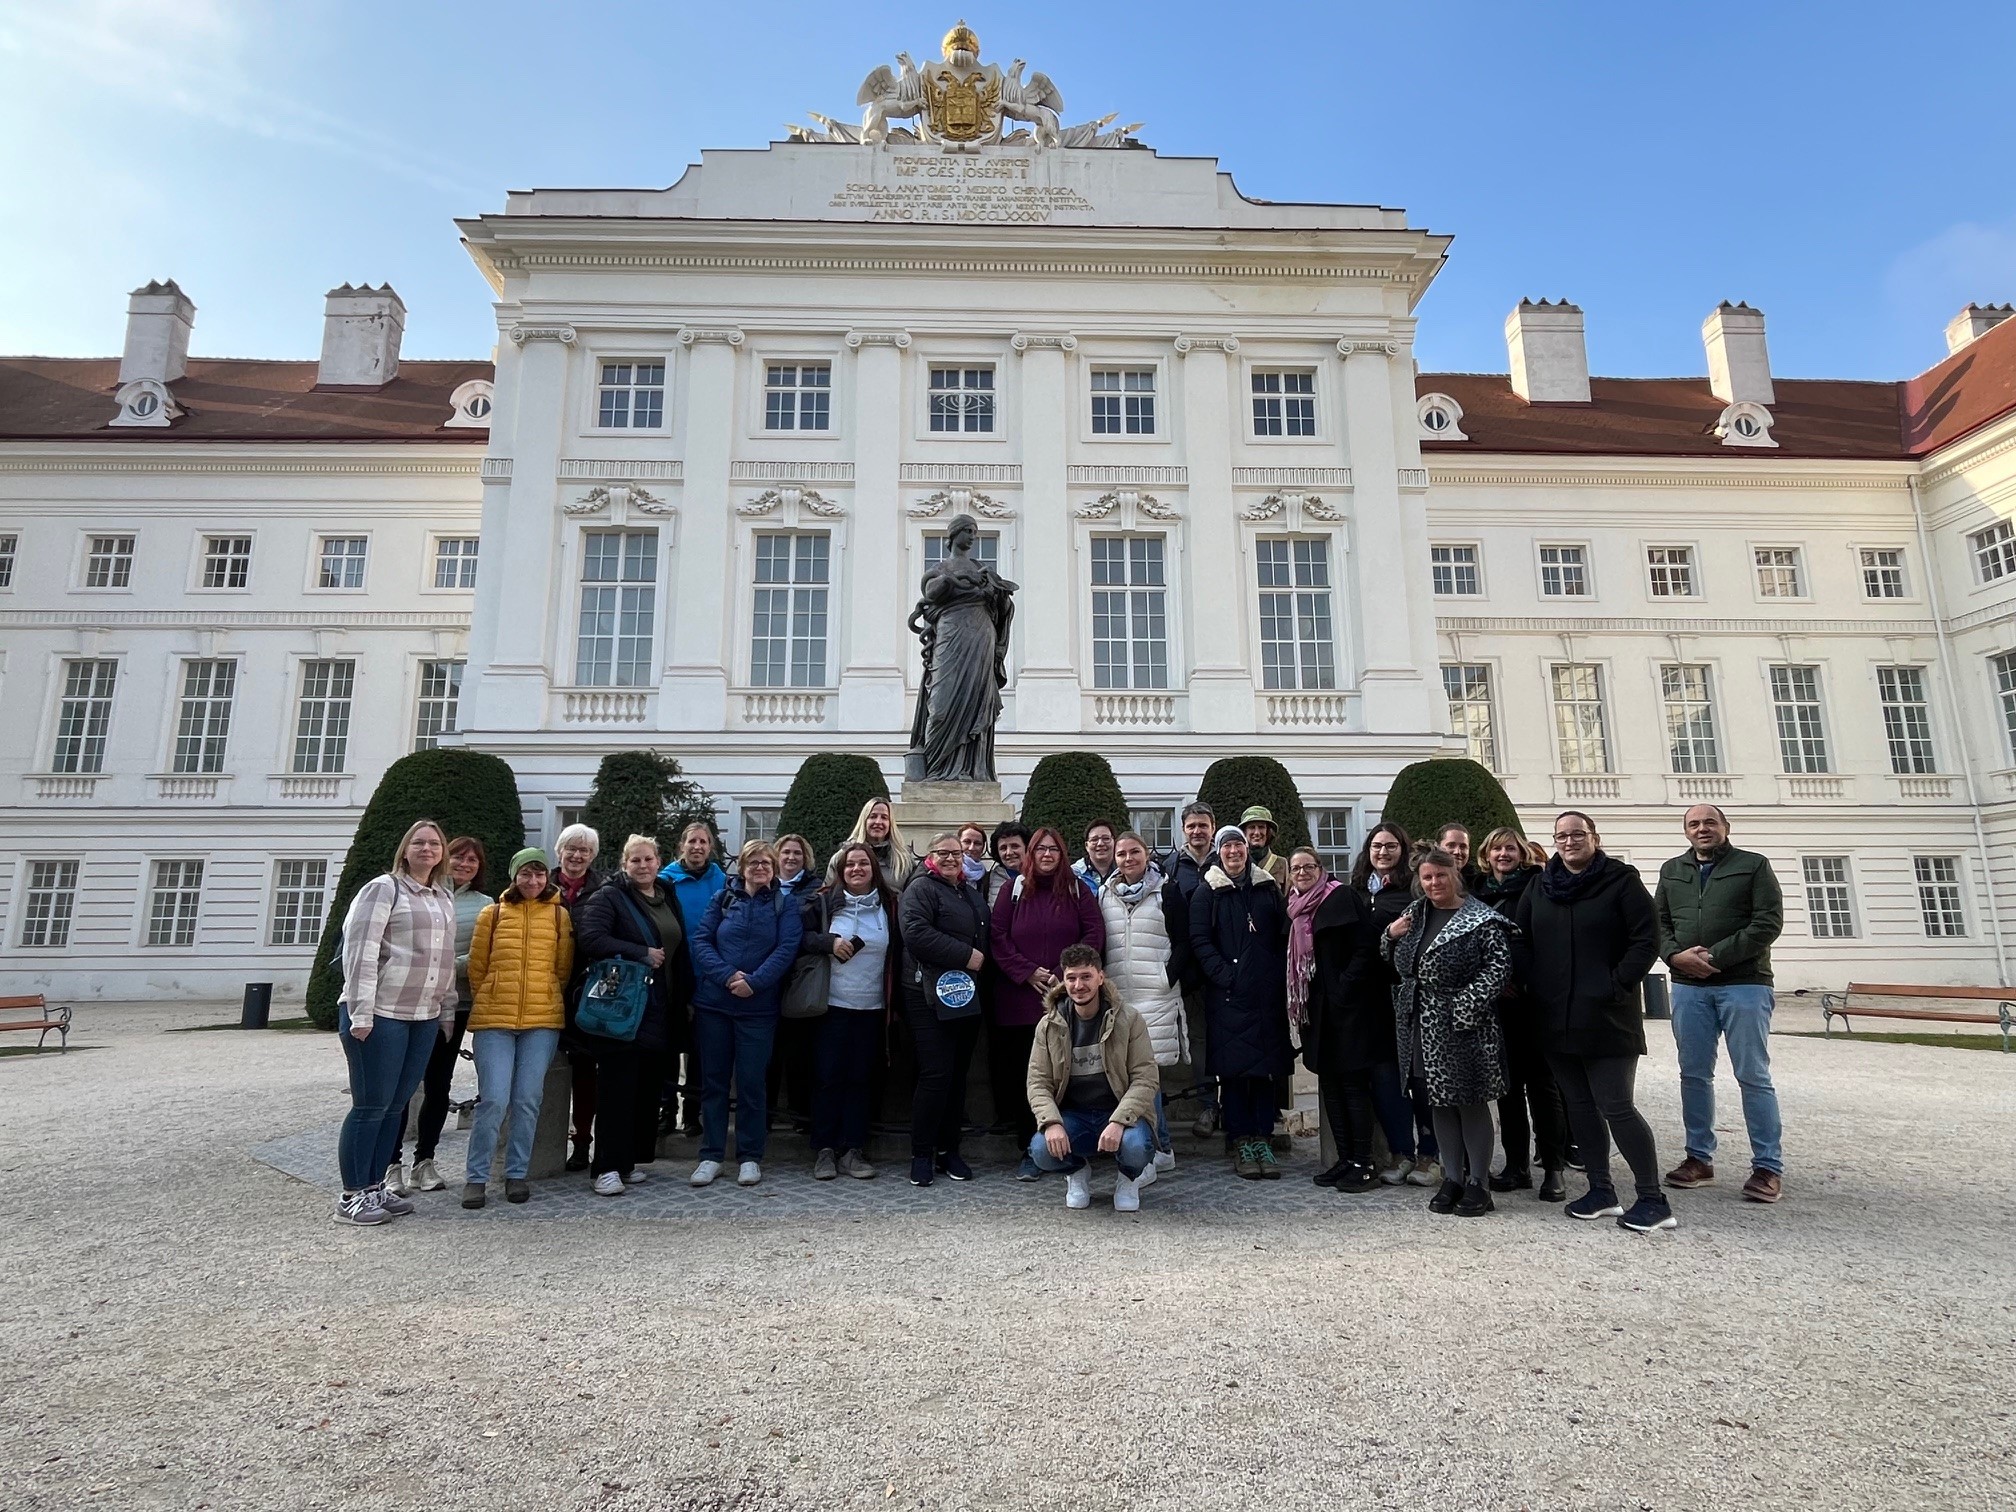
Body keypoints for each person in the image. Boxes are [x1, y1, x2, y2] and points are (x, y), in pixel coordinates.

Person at [1514, 812, 1673, 1232]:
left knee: (1616, 1105)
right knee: (1579, 1107)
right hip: (1553, 1014)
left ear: (1594, 838)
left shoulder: (1621, 881)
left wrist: (1616, 982)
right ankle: (1601, 1190)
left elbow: (1646, 939)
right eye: (1561, 836)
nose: (1569, 842)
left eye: (1577, 834)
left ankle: (1653, 1199)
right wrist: (1535, 980)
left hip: (1606, 1014)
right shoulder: (1540, 885)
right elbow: (1522, 939)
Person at [1654, 804, 1786, 1204]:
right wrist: (1675, 956)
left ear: (1726, 827)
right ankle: (1698, 1158)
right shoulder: (1672, 870)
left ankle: (1767, 1166)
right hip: (1689, 986)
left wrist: (1714, 957)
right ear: (1685, 832)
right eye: (1693, 824)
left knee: (1753, 1075)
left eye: (1710, 822)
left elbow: (1767, 922)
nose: (1702, 829)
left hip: (1744, 984)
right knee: (1693, 1074)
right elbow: (1658, 922)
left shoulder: (1753, 865)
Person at [332, 819, 460, 1226]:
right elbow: (361, 951)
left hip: (422, 1016)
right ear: (405, 849)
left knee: (394, 1105)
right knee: (370, 1106)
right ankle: (352, 1195)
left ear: (442, 852)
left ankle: (374, 1187)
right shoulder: (383, 888)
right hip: (381, 1013)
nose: (427, 848)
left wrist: (446, 1011)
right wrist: (361, 1011)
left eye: (434, 843)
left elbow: (445, 961)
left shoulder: (443, 895)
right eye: (418, 842)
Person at [1382, 848, 1512, 1218]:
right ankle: (1451, 1178)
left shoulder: (1480, 918)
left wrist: (1464, 1006)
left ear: (1455, 875)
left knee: (1469, 1102)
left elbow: (1498, 968)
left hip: (1465, 1026)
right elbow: (1394, 958)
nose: (1434, 883)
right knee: (1438, 1100)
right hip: (1421, 1023)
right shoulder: (1416, 914)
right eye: (1427, 877)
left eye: (1440, 876)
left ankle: (1478, 1185)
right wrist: (1389, 935)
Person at [575, 835, 694, 1196]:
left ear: (659, 861)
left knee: (644, 1088)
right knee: (616, 1088)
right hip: (622, 1007)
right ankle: (605, 1167)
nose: (643, 866)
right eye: (635, 861)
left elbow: (679, 948)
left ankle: (626, 1162)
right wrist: (639, 951)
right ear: (624, 864)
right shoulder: (610, 896)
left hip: (660, 1005)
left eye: (648, 859)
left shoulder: (666, 893)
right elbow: (591, 939)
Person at [460, 849, 574, 1208]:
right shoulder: (491, 914)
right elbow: (477, 968)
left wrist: (543, 996)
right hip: (495, 1020)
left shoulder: (559, 916)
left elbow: (562, 970)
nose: (533, 881)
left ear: (547, 878)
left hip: (541, 1021)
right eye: (526, 874)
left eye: (539, 875)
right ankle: (476, 1177)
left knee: (527, 1100)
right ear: (514, 876)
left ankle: (516, 1173)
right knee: (493, 1099)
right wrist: (493, 995)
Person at [991, 825, 1107, 1176]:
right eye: (1039, 849)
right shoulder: (1012, 890)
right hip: (1018, 999)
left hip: (1064, 999)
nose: (1045, 855)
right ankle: (1029, 1147)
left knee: (1063, 1076)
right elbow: (997, 936)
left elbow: (1094, 933)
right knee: (1022, 1077)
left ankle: (1067, 1145)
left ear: (1062, 854)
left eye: (1053, 849)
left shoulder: (1075, 889)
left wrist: (1063, 973)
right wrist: (1027, 972)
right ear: (1030, 854)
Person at [689, 839, 803, 1188]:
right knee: (715, 1083)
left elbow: (787, 948)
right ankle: (711, 1155)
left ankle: (750, 1156)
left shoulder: (786, 904)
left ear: (773, 869)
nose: (759, 868)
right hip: (716, 1005)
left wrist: (755, 982)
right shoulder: (722, 899)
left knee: (753, 1084)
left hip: (758, 1007)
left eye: (766, 863)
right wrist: (727, 976)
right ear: (742, 866)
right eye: (753, 862)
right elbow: (702, 941)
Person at [388, 834, 490, 1195]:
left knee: (438, 1083)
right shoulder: (419, 891)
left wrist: (442, 966)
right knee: (401, 1085)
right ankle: (391, 1162)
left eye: (472, 860)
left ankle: (424, 1161)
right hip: (410, 999)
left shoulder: (485, 904)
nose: (464, 864)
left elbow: (481, 955)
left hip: (457, 1003)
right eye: (459, 857)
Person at [1188, 825, 1292, 1179]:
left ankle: (1263, 1136)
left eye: (1239, 845)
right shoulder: (1208, 892)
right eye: (1228, 845)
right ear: (1219, 851)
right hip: (1229, 995)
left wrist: (1276, 975)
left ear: (1247, 849)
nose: (1234, 851)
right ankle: (1240, 1138)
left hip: (1265, 994)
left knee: (1264, 1072)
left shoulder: (1267, 888)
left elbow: (1283, 935)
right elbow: (1200, 941)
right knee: (1234, 1073)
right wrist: (1226, 976)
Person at [1025, 945, 1160, 1211]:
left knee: (1136, 1148)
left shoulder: (1129, 1019)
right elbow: (1037, 1081)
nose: (1079, 985)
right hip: (1074, 1115)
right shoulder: (1049, 1025)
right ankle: (1076, 1171)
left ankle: (1128, 1177)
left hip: (1120, 1113)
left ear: (1101, 977)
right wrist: (1051, 1122)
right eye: (1071, 977)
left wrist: (1120, 1121)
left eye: (1086, 976)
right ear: (1063, 980)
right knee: (1041, 1149)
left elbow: (1145, 1078)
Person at [1473, 826, 1567, 1201]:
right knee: (1507, 1091)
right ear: (1487, 854)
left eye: (1510, 848)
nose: (1503, 855)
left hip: (1532, 1000)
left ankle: (1554, 1168)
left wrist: (1520, 978)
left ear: (1522, 852)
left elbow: (1546, 938)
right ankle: (1516, 1166)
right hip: (1495, 1005)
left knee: (1543, 1088)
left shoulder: (1539, 885)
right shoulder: (1479, 891)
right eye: (1496, 849)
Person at [800, 841, 900, 1180]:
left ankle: (853, 1149)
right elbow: (798, 937)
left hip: (873, 1007)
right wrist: (828, 943)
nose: (856, 869)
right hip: (831, 1005)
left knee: (861, 1080)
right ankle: (825, 1149)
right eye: (850, 865)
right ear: (841, 871)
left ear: (874, 869)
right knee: (828, 1078)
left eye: (863, 863)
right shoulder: (826, 901)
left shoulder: (890, 905)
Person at [1288, 845, 1383, 1194]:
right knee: (1330, 1087)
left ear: (1321, 868)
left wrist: (1345, 986)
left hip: (1348, 1010)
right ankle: (1345, 1159)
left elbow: (1365, 946)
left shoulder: (1340, 897)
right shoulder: (1296, 908)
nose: (1301, 873)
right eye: (1296, 868)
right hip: (1317, 1010)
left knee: (1353, 1087)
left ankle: (1364, 1161)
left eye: (1308, 867)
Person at [898, 832, 991, 1186]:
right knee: (935, 1074)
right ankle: (921, 1153)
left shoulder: (966, 890)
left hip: (963, 994)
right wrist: (966, 955)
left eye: (956, 852)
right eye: (944, 852)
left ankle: (949, 1150)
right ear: (930, 856)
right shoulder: (921, 887)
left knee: (956, 1076)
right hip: (925, 993)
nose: (952, 858)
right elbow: (915, 932)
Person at [1351, 822, 1440, 1186]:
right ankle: (1401, 1151)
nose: (1383, 853)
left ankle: (1430, 1154)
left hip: (1406, 998)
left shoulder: (1412, 893)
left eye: (1390, 846)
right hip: (1370, 1000)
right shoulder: (1358, 891)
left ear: (1402, 850)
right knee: (1385, 1078)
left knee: (1419, 1078)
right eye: (1376, 846)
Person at [1098, 831, 1186, 1171]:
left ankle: (1159, 1147)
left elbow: (1183, 941)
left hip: (1156, 994)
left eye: (1134, 852)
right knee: (1128, 1075)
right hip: (1119, 996)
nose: (1127, 858)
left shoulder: (1167, 890)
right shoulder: (1104, 894)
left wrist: (1167, 978)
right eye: (1121, 853)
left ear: (1147, 855)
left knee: (1147, 1075)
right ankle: (1153, 1145)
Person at [658, 821, 727, 1135]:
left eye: (703, 842)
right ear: (681, 846)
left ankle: (692, 1114)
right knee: (669, 1047)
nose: (697, 847)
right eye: (692, 842)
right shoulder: (664, 881)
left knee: (701, 1050)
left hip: (708, 975)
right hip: (672, 973)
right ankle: (665, 1110)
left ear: (710, 847)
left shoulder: (721, 881)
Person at [551, 823, 608, 1172]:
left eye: (584, 850)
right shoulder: (539, 883)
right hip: (546, 988)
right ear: (559, 851)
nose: (577, 855)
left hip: (587, 990)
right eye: (571, 848)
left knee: (586, 1072)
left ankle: (582, 1141)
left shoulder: (604, 889)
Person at [1164, 802, 1220, 1138]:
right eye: (1191, 826)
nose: (1197, 831)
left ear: (1212, 827)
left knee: (1224, 1039)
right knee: (1195, 1040)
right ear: (1183, 830)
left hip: (1224, 967)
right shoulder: (1170, 866)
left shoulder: (1228, 860)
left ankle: (1225, 1109)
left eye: (1203, 825)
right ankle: (1202, 1106)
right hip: (1187, 970)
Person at [828, 797, 914, 892]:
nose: (878, 822)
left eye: (884, 817)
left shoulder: (904, 860)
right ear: (864, 820)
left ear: (890, 824)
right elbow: (828, 893)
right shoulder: (842, 857)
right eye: (873, 816)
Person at [1239, 806, 1291, 889]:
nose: (1257, 832)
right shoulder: (1237, 863)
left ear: (1268, 832)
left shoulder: (1281, 863)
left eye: (1261, 827)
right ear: (1244, 832)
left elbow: (1287, 898)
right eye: (1252, 827)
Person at [984, 821, 1028, 910]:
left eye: (1015, 846)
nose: (1009, 852)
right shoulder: (987, 881)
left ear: (1027, 848)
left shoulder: (1040, 878)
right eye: (1003, 848)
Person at [1074, 818, 1120, 888]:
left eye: (1106, 838)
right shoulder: (1074, 874)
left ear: (1114, 842)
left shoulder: (1125, 871)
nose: (1100, 844)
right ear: (1086, 846)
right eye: (1094, 839)